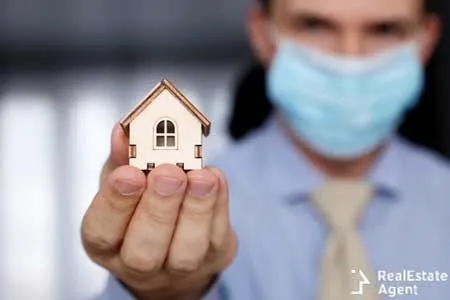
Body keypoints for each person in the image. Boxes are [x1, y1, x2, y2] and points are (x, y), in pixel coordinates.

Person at [81, 0, 450, 299]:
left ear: (426, 40)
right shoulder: (190, 206)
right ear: (263, 35)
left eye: (384, 29)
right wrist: (160, 292)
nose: (349, 59)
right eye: (314, 25)